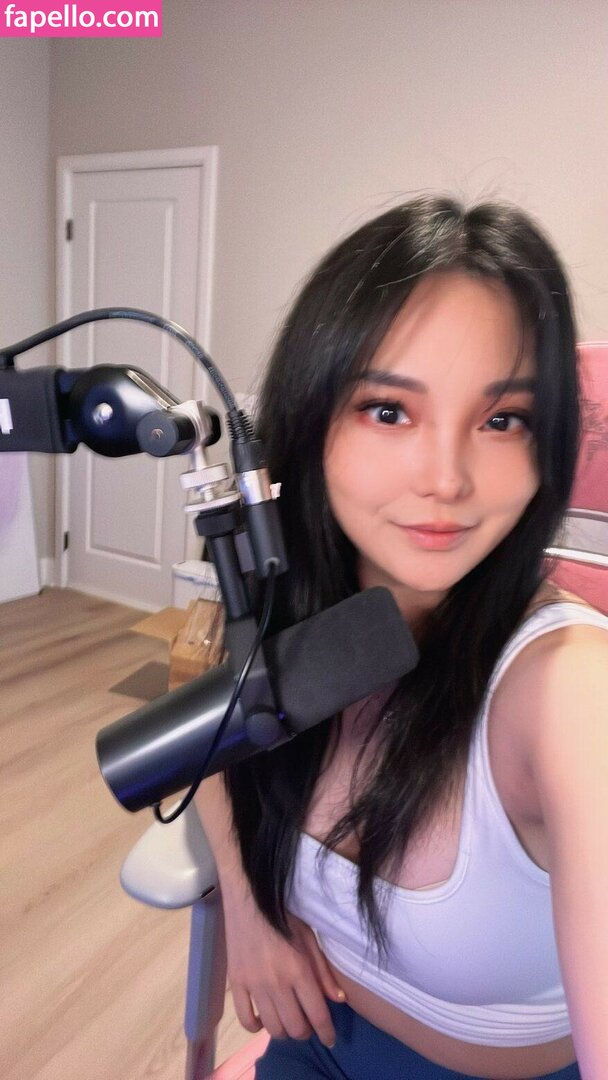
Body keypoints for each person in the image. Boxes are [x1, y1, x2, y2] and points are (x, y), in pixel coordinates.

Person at [195, 196, 608, 1079]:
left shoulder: (571, 689)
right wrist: (252, 911)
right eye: (388, 410)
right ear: (310, 423)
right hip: (313, 1040)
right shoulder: (281, 614)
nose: (446, 479)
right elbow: (212, 747)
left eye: (502, 419)